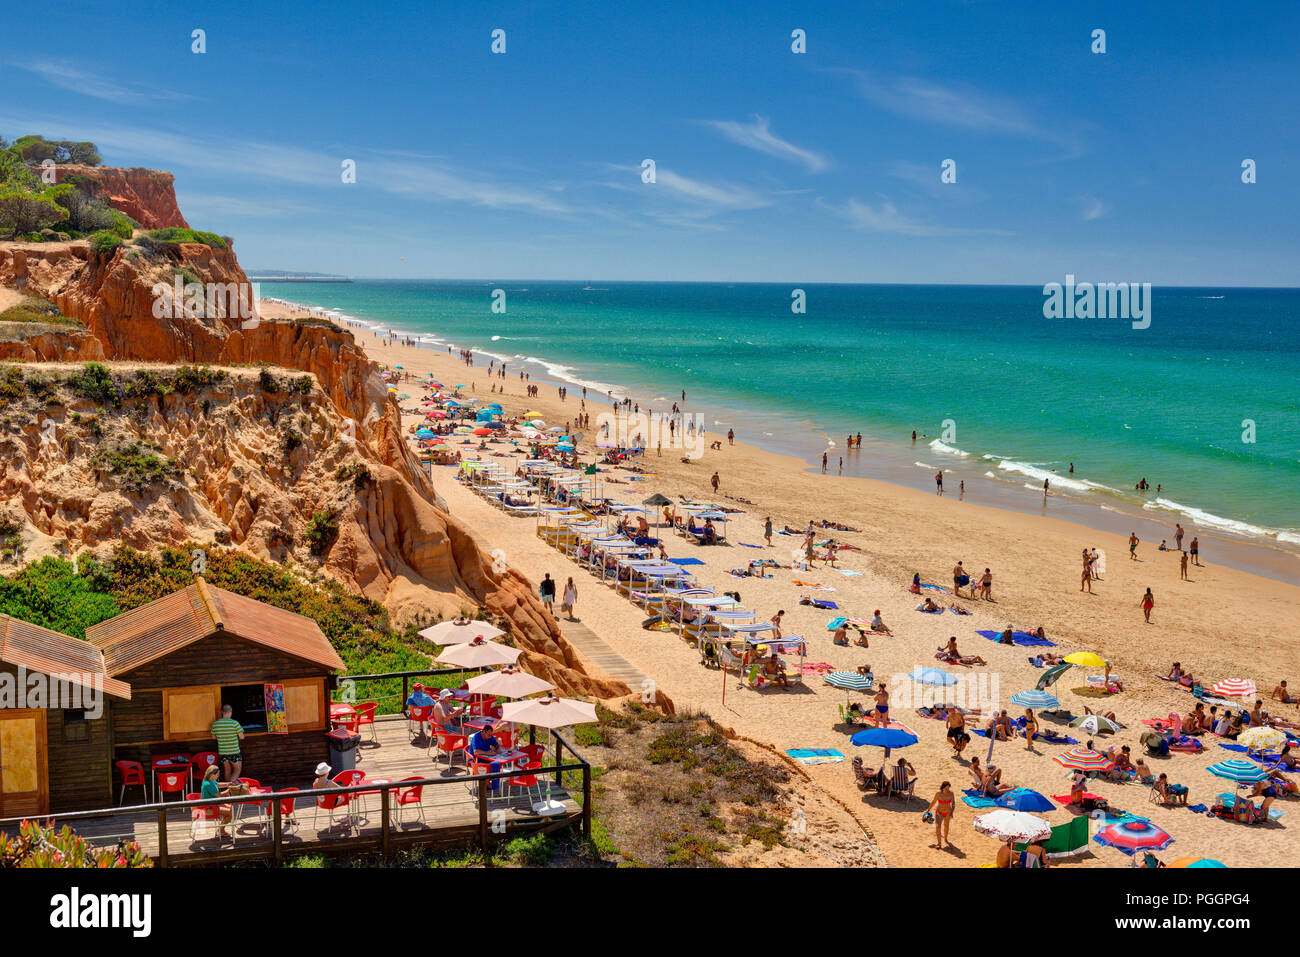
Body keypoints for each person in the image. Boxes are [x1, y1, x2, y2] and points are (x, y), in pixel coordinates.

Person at [200, 764, 235, 841]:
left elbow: (218, 784)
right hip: (209, 808)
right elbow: (219, 795)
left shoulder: (210, 781)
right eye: (217, 774)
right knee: (230, 813)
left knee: (230, 809)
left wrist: (228, 784)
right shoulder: (208, 784)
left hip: (212, 805)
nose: (218, 775)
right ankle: (221, 830)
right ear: (212, 774)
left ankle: (220, 830)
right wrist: (229, 790)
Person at [211, 704, 245, 783]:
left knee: (227, 770)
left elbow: (213, 737)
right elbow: (241, 737)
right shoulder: (235, 723)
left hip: (223, 752)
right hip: (234, 751)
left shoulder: (215, 724)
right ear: (231, 712)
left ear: (222, 712)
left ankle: (227, 790)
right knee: (237, 769)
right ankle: (230, 786)